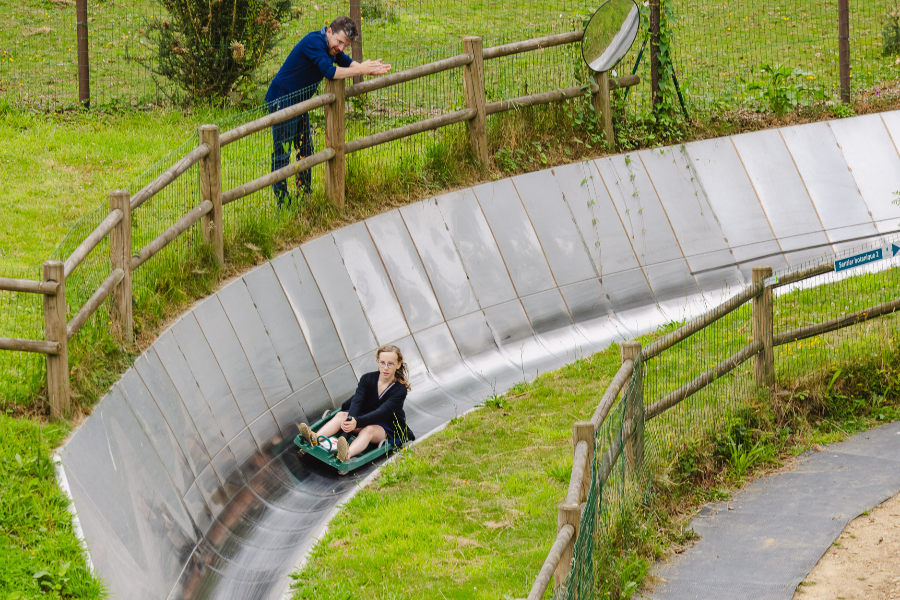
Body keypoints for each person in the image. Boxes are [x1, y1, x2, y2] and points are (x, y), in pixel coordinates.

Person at [265, 16, 392, 206]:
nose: (340, 48)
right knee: (282, 153)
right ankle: (283, 203)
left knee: (306, 149)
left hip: (300, 102)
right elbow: (330, 71)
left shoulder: (332, 47)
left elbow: (347, 63)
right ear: (329, 31)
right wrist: (360, 70)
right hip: (282, 100)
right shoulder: (314, 42)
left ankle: (304, 195)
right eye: (339, 42)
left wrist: (368, 69)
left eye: (345, 45)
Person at [297, 344, 415, 462]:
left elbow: (382, 412)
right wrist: (350, 419)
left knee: (369, 430)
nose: (385, 368)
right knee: (341, 415)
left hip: (385, 426)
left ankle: (346, 454)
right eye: (382, 363)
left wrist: (357, 422)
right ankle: (314, 438)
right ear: (378, 362)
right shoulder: (367, 379)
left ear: (398, 365)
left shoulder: (400, 390)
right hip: (362, 417)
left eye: (391, 364)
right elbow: (357, 400)